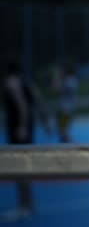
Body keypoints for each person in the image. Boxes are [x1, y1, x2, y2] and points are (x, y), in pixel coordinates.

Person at [1, 60, 36, 219]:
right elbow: (37, 98)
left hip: (18, 130)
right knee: (24, 167)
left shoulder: (11, 83)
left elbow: (22, 105)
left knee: (19, 167)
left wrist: (21, 125)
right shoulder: (24, 81)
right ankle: (28, 203)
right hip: (27, 128)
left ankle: (24, 205)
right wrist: (45, 120)